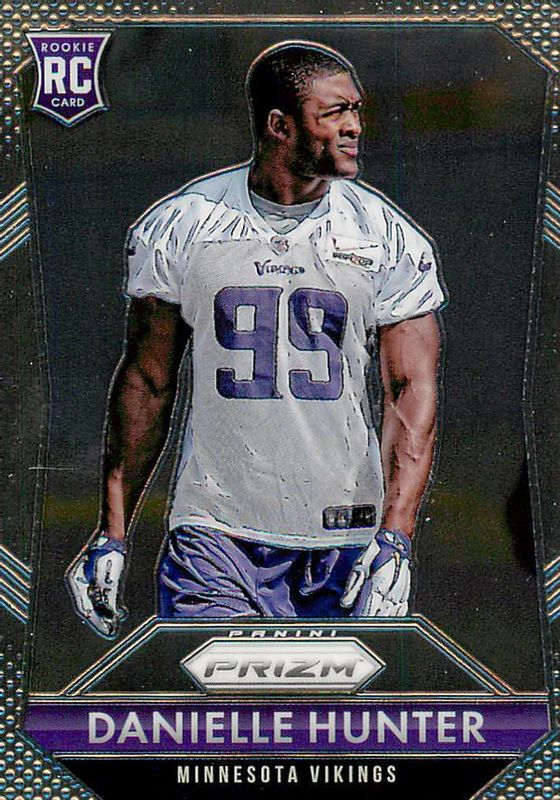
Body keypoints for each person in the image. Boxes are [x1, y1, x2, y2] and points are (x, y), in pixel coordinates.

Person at [66, 40, 446, 638]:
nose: (354, 127)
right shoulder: (185, 224)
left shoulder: (385, 234)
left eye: (356, 110)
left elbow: (409, 390)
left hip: (344, 539)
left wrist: (396, 535)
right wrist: (111, 534)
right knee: (218, 699)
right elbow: (147, 383)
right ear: (279, 125)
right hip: (215, 536)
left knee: (328, 703)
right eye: (334, 113)